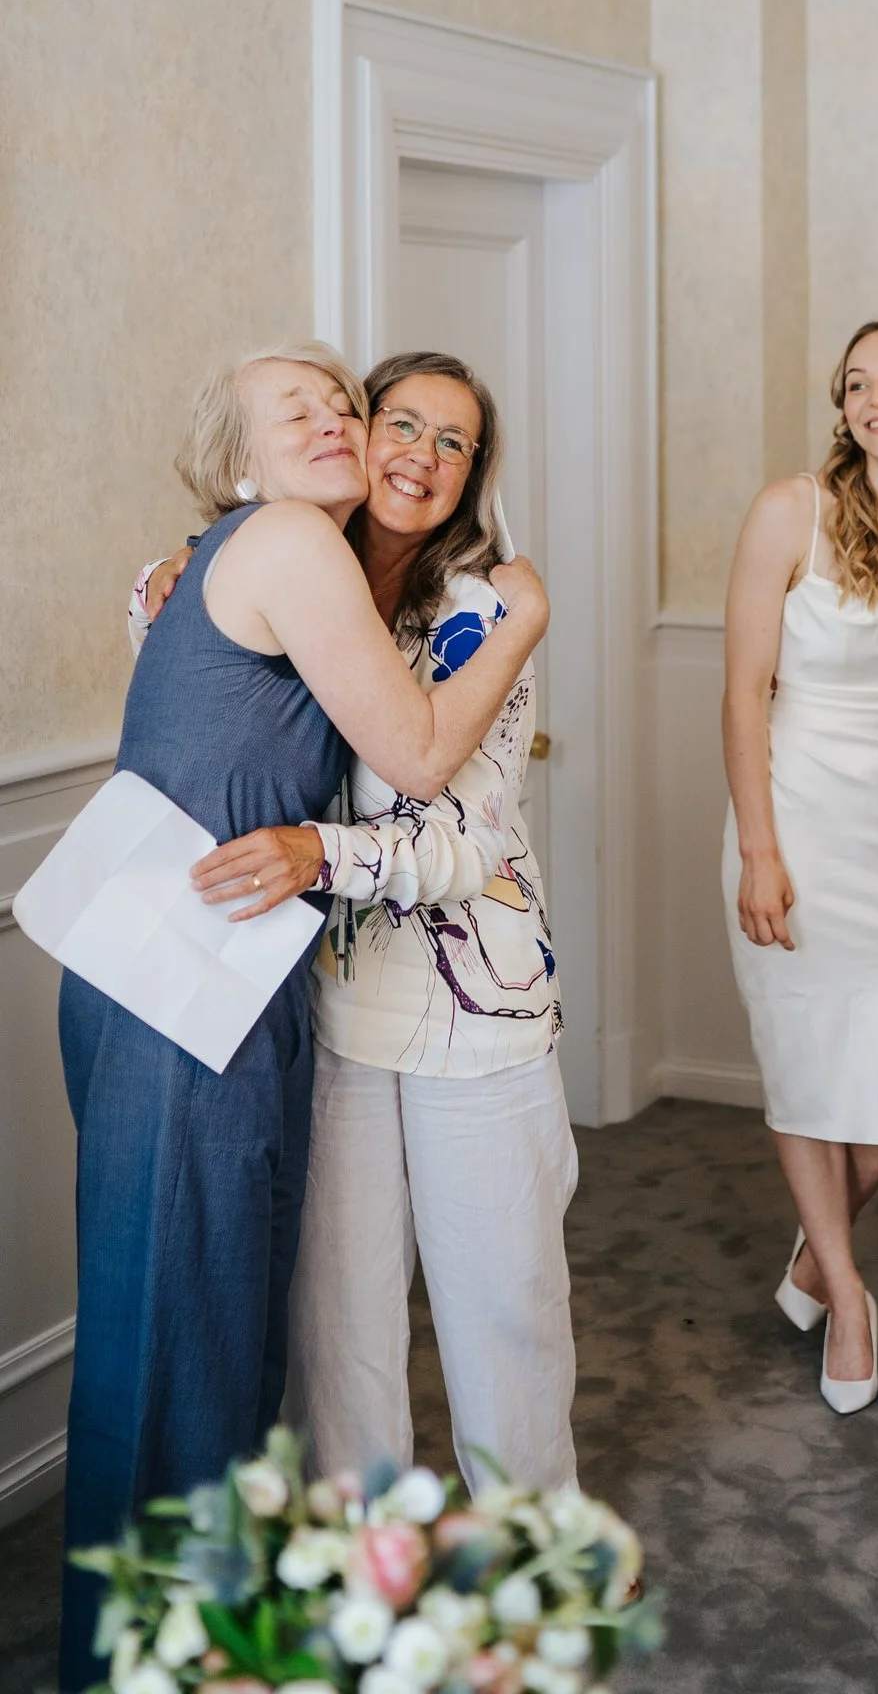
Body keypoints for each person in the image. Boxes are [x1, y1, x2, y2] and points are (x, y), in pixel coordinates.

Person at [62, 340, 548, 1692]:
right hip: (190, 990)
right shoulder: (283, 542)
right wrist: (524, 620)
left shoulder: (341, 570)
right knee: (183, 1353)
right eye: (329, 411)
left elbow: (449, 813)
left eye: (357, 407)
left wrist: (507, 616)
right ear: (239, 462)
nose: (362, 433)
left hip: (293, 991)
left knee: (227, 1346)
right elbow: (408, 751)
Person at [136, 352, 576, 1498]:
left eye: (454, 443)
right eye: (401, 422)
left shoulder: (485, 613)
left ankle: (536, 1527)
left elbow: (467, 837)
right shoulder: (292, 571)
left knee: (501, 1294)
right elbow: (172, 640)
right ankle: (355, 1538)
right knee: (337, 1313)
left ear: (474, 475)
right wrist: (178, 564)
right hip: (325, 1000)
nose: (419, 456)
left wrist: (315, 854)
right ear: (358, 432)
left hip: (471, 1005)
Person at [721, 318, 878, 1414]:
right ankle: (851, 1295)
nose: (875, 398)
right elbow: (739, 694)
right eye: (856, 383)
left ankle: (814, 1257)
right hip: (798, 825)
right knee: (809, 1063)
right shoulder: (793, 511)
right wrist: (761, 851)